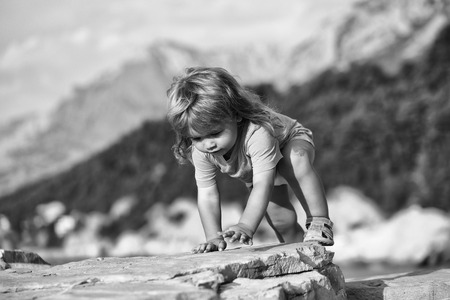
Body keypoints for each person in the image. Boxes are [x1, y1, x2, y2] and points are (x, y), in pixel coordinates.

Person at [167, 67, 334, 253]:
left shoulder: (257, 133)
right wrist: (213, 237)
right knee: (280, 220)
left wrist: (246, 225)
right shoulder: (201, 152)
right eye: (197, 138)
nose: (208, 144)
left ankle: (319, 222)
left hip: (289, 142)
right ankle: (299, 252)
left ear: (236, 114)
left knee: (293, 161)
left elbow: (263, 184)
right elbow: (207, 195)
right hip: (258, 168)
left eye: (215, 133)